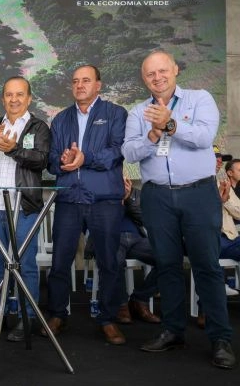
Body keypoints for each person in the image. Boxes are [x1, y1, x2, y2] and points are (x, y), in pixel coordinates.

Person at [121, 49, 235, 369]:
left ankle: (220, 338)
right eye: (150, 74)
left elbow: (204, 137)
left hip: (198, 194)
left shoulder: (200, 99)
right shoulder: (138, 112)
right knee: (167, 265)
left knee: (207, 266)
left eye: (162, 71)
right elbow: (129, 152)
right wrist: (152, 135)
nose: (157, 77)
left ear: (175, 70)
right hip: (156, 197)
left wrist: (170, 124)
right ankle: (173, 331)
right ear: (144, 79)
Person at [44, 65, 128, 345]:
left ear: (98, 85)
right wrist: (62, 161)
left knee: (109, 262)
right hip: (69, 198)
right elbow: (51, 161)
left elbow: (117, 152)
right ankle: (58, 315)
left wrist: (85, 158)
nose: (80, 85)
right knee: (60, 261)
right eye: (75, 81)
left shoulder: (115, 113)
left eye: (86, 80)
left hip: (104, 199)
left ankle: (108, 319)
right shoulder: (61, 119)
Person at [0, 76, 51, 341]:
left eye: (19, 95)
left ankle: (28, 318)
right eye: (9, 95)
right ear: (3, 98)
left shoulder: (38, 127)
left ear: (29, 98)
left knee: (25, 265)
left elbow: (41, 160)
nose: (14, 99)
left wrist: (13, 149)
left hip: (24, 206)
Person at [85, 176, 161, 324]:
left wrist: (128, 197)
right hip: (110, 237)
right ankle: (121, 305)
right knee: (114, 261)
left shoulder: (134, 193)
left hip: (137, 239)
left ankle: (140, 299)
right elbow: (88, 221)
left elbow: (145, 219)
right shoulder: (95, 193)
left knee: (168, 256)